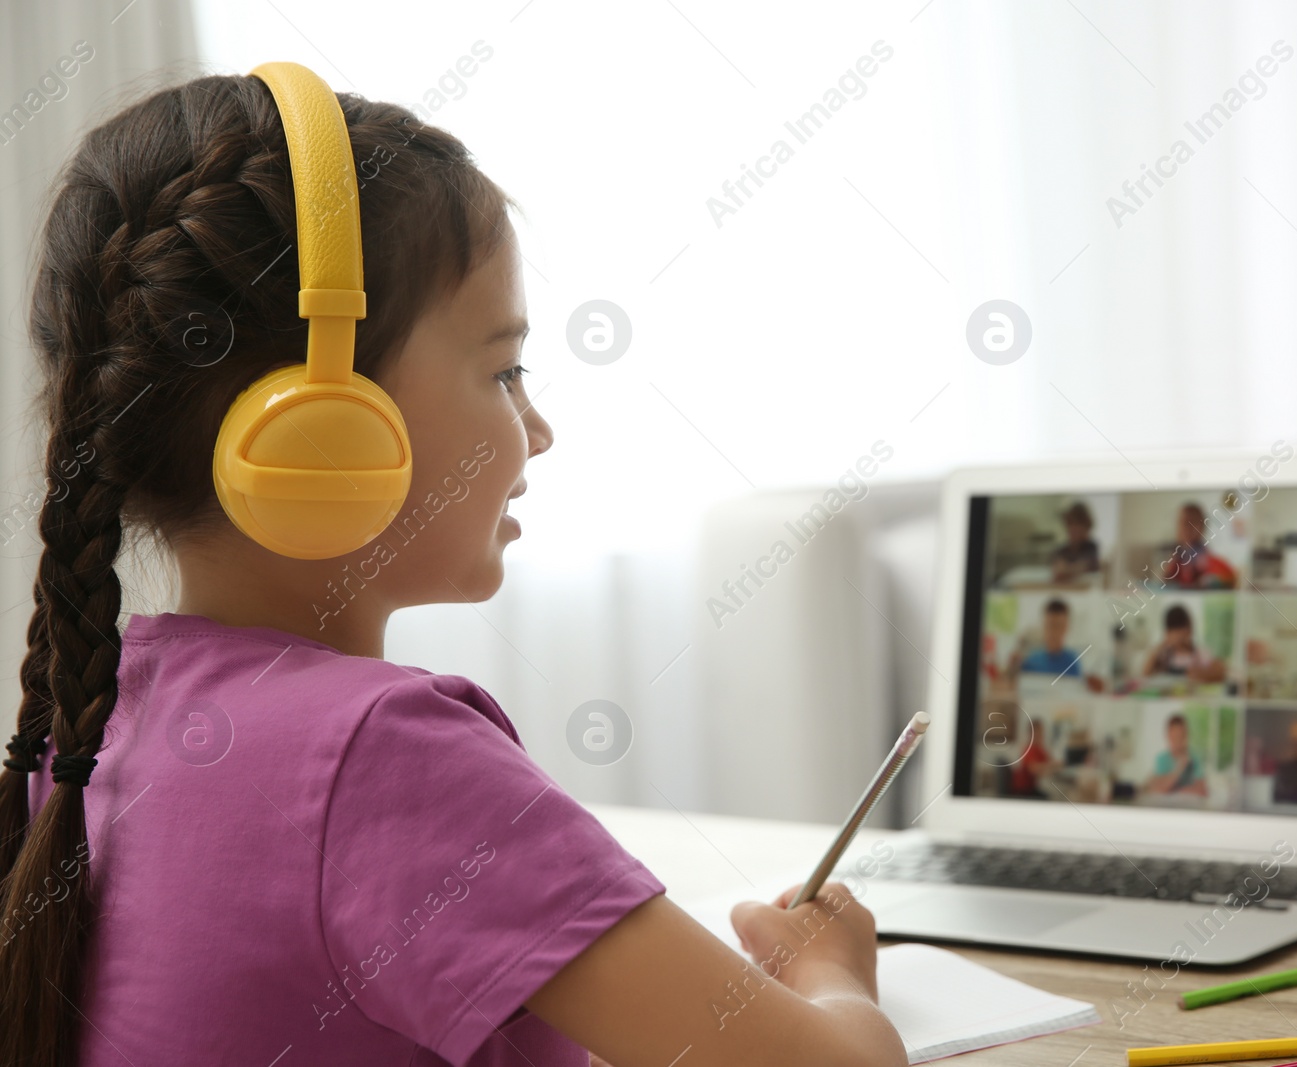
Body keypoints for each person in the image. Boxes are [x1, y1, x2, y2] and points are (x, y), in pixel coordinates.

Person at [0, 74, 906, 1067]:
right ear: (322, 427)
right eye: (504, 371)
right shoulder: (386, 757)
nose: (540, 429)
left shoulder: (87, 717)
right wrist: (830, 973)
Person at [1012, 600, 1106, 691]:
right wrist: (1012, 668)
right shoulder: (1030, 662)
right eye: (1050, 625)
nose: (1053, 632)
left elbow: (1079, 692)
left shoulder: (1072, 663)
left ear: (1066, 627)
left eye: (1058, 626)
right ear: (1044, 625)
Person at [1143, 604, 1229, 684]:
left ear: (1189, 629)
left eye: (1182, 629)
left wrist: (1201, 674)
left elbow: (1221, 671)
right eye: (1175, 631)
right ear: (1168, 632)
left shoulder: (1199, 653)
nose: (1179, 635)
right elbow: (1146, 673)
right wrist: (1163, 644)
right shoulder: (1164, 654)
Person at [1166, 502, 1238, 589]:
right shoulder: (1173, 563)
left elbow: (1231, 580)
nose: (1187, 529)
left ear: (1202, 527)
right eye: (1183, 523)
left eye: (1192, 523)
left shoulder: (1213, 563)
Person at [1145, 715, 1208, 797]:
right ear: (1168, 736)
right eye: (1174, 737)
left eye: (1181, 736)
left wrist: (1176, 791)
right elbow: (1159, 790)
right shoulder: (1161, 759)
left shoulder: (1195, 758)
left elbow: (1202, 791)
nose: (1178, 741)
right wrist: (1179, 769)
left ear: (1186, 735)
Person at [1008, 717, 1064, 798]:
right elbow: (1035, 769)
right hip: (1023, 790)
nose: (1042, 734)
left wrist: (1052, 764)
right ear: (1032, 732)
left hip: (1032, 787)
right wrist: (1051, 765)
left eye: (1042, 731)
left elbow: (1051, 762)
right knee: (1053, 796)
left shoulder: (1039, 748)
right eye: (1039, 731)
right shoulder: (1028, 749)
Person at [1049, 502, 1100, 584]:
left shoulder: (1091, 548)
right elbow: (1058, 571)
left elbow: (1085, 566)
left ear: (1086, 527)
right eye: (1070, 524)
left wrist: (1068, 569)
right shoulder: (1062, 550)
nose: (1074, 529)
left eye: (1078, 524)